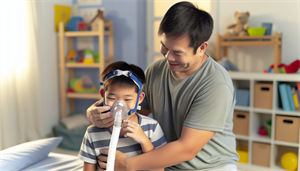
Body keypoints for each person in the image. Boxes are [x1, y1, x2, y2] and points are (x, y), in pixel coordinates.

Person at [87, 1, 239, 170]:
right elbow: (133, 113)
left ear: (201, 48)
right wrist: (94, 113)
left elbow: (187, 149)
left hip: (209, 166)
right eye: (164, 47)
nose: (168, 57)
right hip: (163, 160)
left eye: (178, 52)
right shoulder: (155, 70)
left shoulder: (216, 85)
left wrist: (128, 164)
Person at [78, 61, 166, 171]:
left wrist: (144, 141)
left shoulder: (152, 128)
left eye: (127, 99)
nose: (119, 105)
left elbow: (158, 169)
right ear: (103, 96)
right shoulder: (93, 133)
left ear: (140, 98)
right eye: (112, 98)